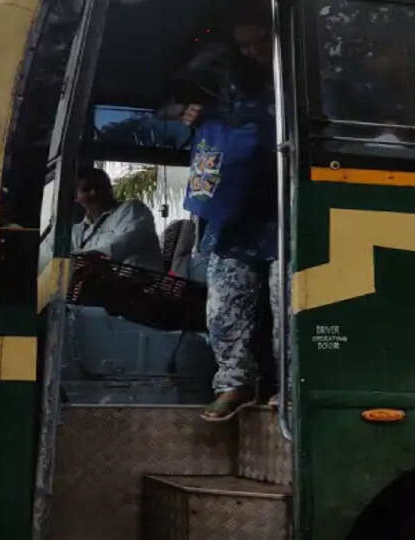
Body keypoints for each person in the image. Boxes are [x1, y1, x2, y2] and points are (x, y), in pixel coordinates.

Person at [177, 6, 279, 422]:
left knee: (286, 304)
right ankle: (235, 383)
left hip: (283, 217)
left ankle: (288, 388)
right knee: (223, 305)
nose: (253, 52)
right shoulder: (231, 86)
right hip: (233, 219)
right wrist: (194, 118)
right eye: (245, 46)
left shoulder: (301, 87)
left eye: (261, 42)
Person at [41, 167, 162, 271]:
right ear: (76, 197)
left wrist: (87, 258)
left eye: (100, 187)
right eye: (86, 189)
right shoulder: (76, 231)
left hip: (140, 291)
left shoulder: (131, 209)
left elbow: (129, 241)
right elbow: (45, 253)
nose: (94, 193)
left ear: (110, 189)